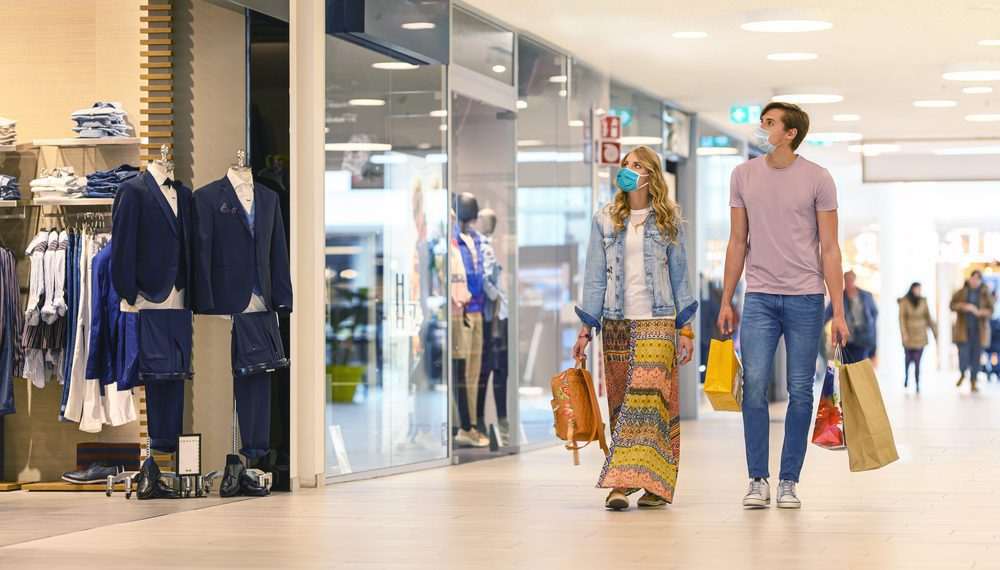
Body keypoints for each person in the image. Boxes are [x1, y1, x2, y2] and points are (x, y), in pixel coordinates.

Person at [717, 102, 849, 510]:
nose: (763, 128)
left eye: (770, 123)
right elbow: (738, 241)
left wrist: (839, 311)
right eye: (763, 121)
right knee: (753, 386)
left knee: (799, 391)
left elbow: (830, 248)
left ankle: (789, 480)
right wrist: (726, 298)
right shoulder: (743, 176)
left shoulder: (818, 179)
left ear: (790, 133)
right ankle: (757, 478)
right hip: (758, 297)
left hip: (807, 298)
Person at [573, 145, 697, 511]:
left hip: (658, 321)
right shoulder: (605, 219)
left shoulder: (669, 219)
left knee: (650, 402)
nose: (628, 170)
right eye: (625, 164)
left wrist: (685, 329)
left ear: (651, 174)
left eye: (636, 165)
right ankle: (642, 484)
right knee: (623, 403)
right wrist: (585, 329)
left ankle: (624, 483)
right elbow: (594, 277)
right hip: (615, 322)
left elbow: (681, 277)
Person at [950, 271, 994, 392]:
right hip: (963, 330)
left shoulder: (985, 293)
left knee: (976, 357)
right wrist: (963, 306)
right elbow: (952, 305)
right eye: (972, 278)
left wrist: (978, 312)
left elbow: (991, 310)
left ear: (980, 280)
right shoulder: (961, 292)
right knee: (963, 355)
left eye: (977, 279)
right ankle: (963, 373)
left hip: (979, 331)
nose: (974, 281)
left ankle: (973, 381)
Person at [825, 270, 878, 364]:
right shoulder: (840, 297)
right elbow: (827, 314)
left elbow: (874, 317)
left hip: (863, 339)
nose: (849, 282)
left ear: (854, 280)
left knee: (860, 368)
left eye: (851, 280)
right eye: (846, 280)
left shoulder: (866, 296)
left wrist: (873, 343)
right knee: (846, 368)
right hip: (846, 339)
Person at [898, 282, 937, 393]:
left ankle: (917, 383)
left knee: (917, 361)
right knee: (908, 359)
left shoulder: (923, 301)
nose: (919, 291)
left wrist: (935, 332)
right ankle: (906, 377)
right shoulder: (904, 301)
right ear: (912, 289)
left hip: (921, 335)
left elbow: (928, 317)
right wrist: (904, 333)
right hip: (909, 335)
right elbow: (902, 319)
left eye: (920, 289)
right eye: (917, 289)